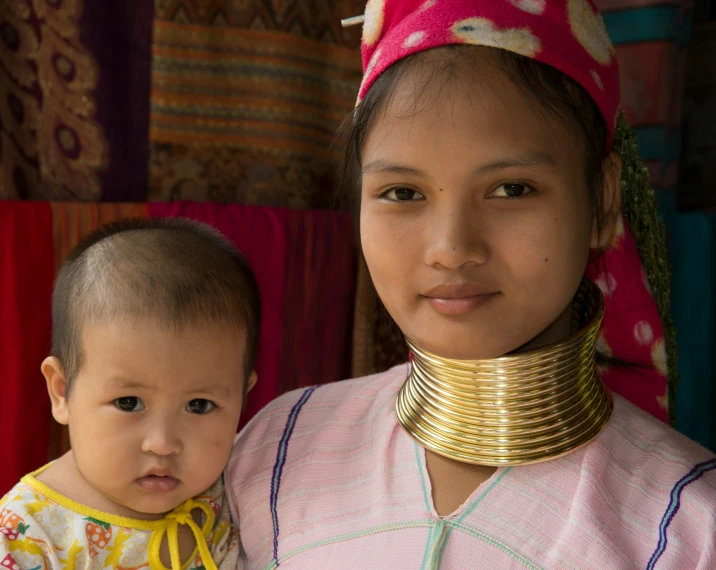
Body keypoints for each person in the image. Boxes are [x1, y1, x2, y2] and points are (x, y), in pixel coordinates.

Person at [227, 0, 716, 568]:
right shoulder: (275, 454)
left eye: (512, 189)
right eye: (403, 193)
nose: (452, 248)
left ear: (602, 203)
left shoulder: (689, 528)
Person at [0, 218, 261, 570]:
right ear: (62, 391)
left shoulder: (233, 494)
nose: (163, 443)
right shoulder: (27, 530)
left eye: (199, 405)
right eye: (128, 403)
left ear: (242, 399)